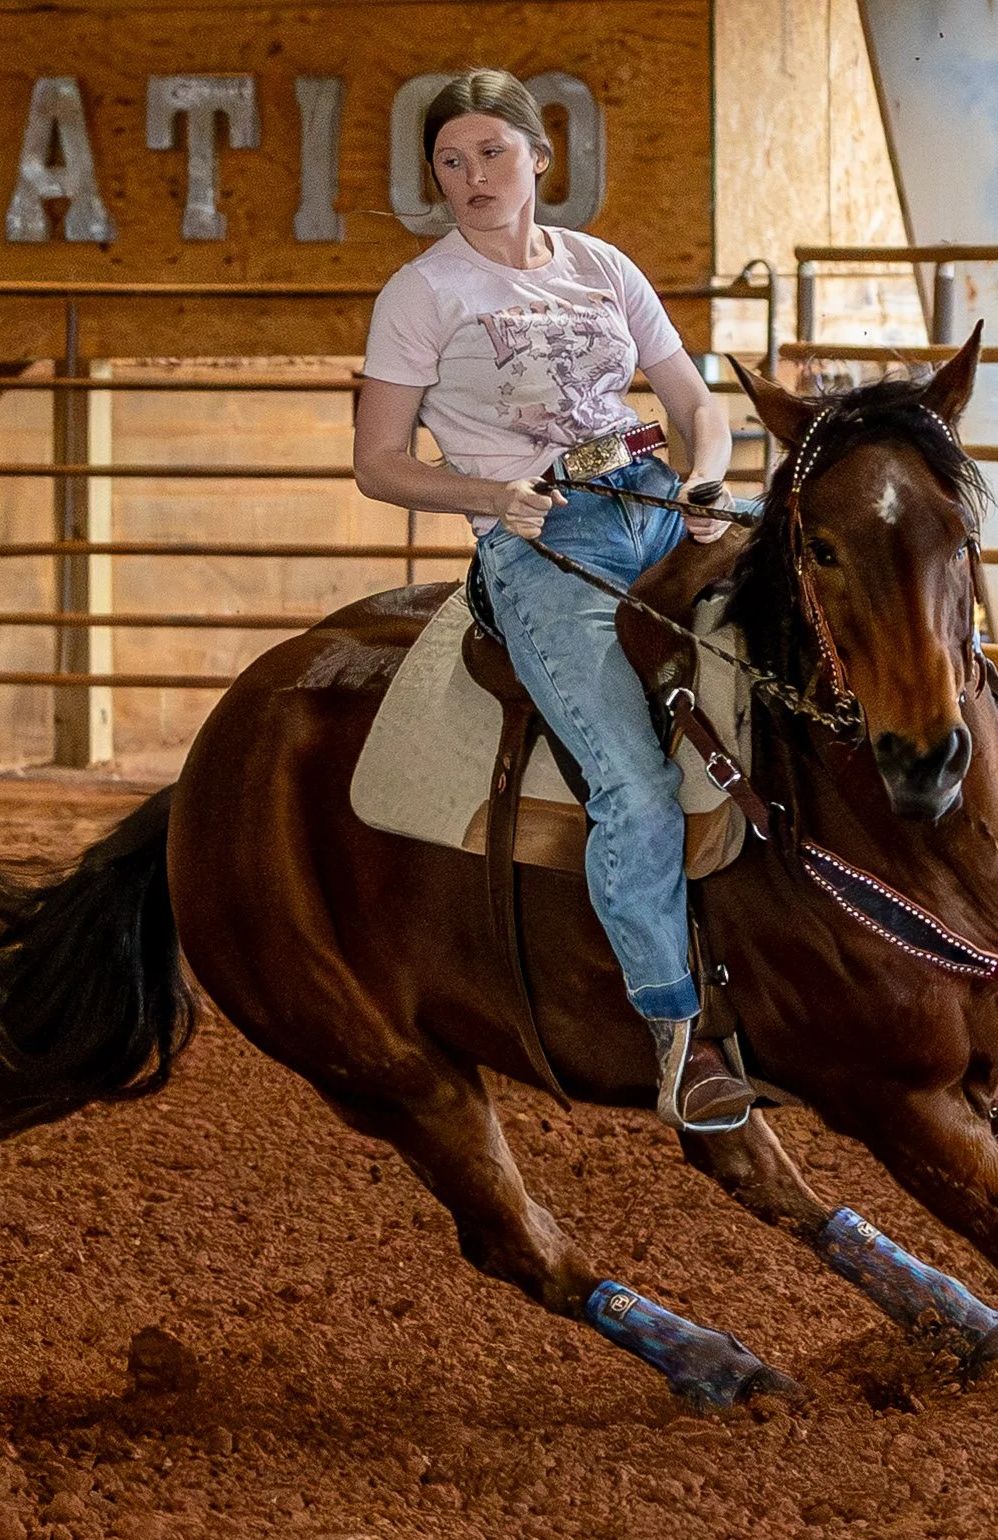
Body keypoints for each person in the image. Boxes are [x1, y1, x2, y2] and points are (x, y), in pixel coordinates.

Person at [353, 69, 754, 1135]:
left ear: (539, 160)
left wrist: (706, 482)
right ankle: (679, 1038)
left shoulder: (602, 266)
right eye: (449, 161)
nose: (471, 177)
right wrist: (488, 495)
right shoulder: (423, 292)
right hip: (543, 539)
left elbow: (691, 403)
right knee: (628, 780)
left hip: (658, 500)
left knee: (851, 591)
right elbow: (379, 464)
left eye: (491, 153)